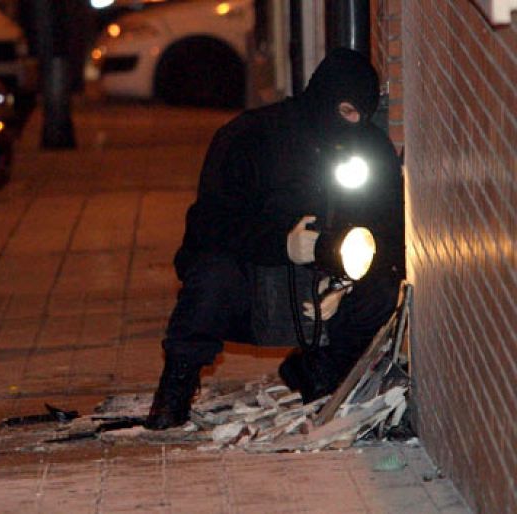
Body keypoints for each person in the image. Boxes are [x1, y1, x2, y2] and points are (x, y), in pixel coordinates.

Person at [145, 48, 405, 430]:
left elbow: (388, 232)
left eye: (361, 117)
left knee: (382, 291)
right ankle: (175, 389)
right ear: (324, 98)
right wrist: (282, 245)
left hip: (325, 290)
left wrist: (347, 282)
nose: (352, 123)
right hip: (254, 287)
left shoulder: (369, 150)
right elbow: (208, 229)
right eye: (346, 110)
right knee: (211, 278)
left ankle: (320, 371)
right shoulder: (251, 137)